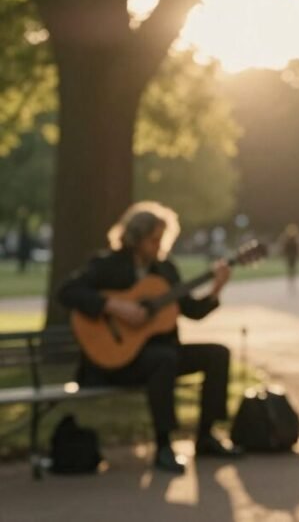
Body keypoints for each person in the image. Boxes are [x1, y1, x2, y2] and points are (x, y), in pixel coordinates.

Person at [58, 201, 242, 474]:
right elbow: (67, 292)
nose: (159, 245)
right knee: (164, 359)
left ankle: (206, 436)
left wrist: (216, 288)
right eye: (153, 239)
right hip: (115, 361)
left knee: (217, 354)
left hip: (157, 355)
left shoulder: (166, 271)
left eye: (162, 239)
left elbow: (192, 310)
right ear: (135, 238)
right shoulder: (108, 265)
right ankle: (164, 445)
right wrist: (115, 306)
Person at [279, 223, 299, 293]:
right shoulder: (286, 238)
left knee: (293, 269)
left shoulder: (297, 238)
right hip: (289, 256)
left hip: (294, 256)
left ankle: (292, 281)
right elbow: (283, 248)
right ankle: (291, 281)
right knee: (290, 269)